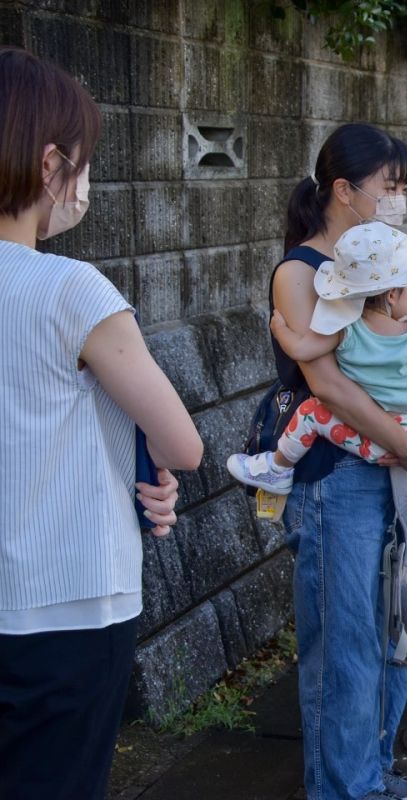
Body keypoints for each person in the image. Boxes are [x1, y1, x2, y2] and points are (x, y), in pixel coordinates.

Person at [0, 47, 203, 800]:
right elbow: (182, 441)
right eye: (81, 166)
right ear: (51, 163)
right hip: (68, 603)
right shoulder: (72, 290)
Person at [272, 125, 407, 800]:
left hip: (386, 475)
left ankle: (369, 772)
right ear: (344, 190)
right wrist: (405, 444)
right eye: (389, 187)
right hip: (336, 480)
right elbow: (328, 385)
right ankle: (346, 788)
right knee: (344, 646)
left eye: (404, 189)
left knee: (393, 628)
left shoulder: (379, 266)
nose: (397, 201)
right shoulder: (300, 271)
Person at [227, 221, 407, 494]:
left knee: (309, 412)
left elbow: (301, 350)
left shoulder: (345, 330)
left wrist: (280, 329)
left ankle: (278, 469)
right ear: (392, 294)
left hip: (379, 441)